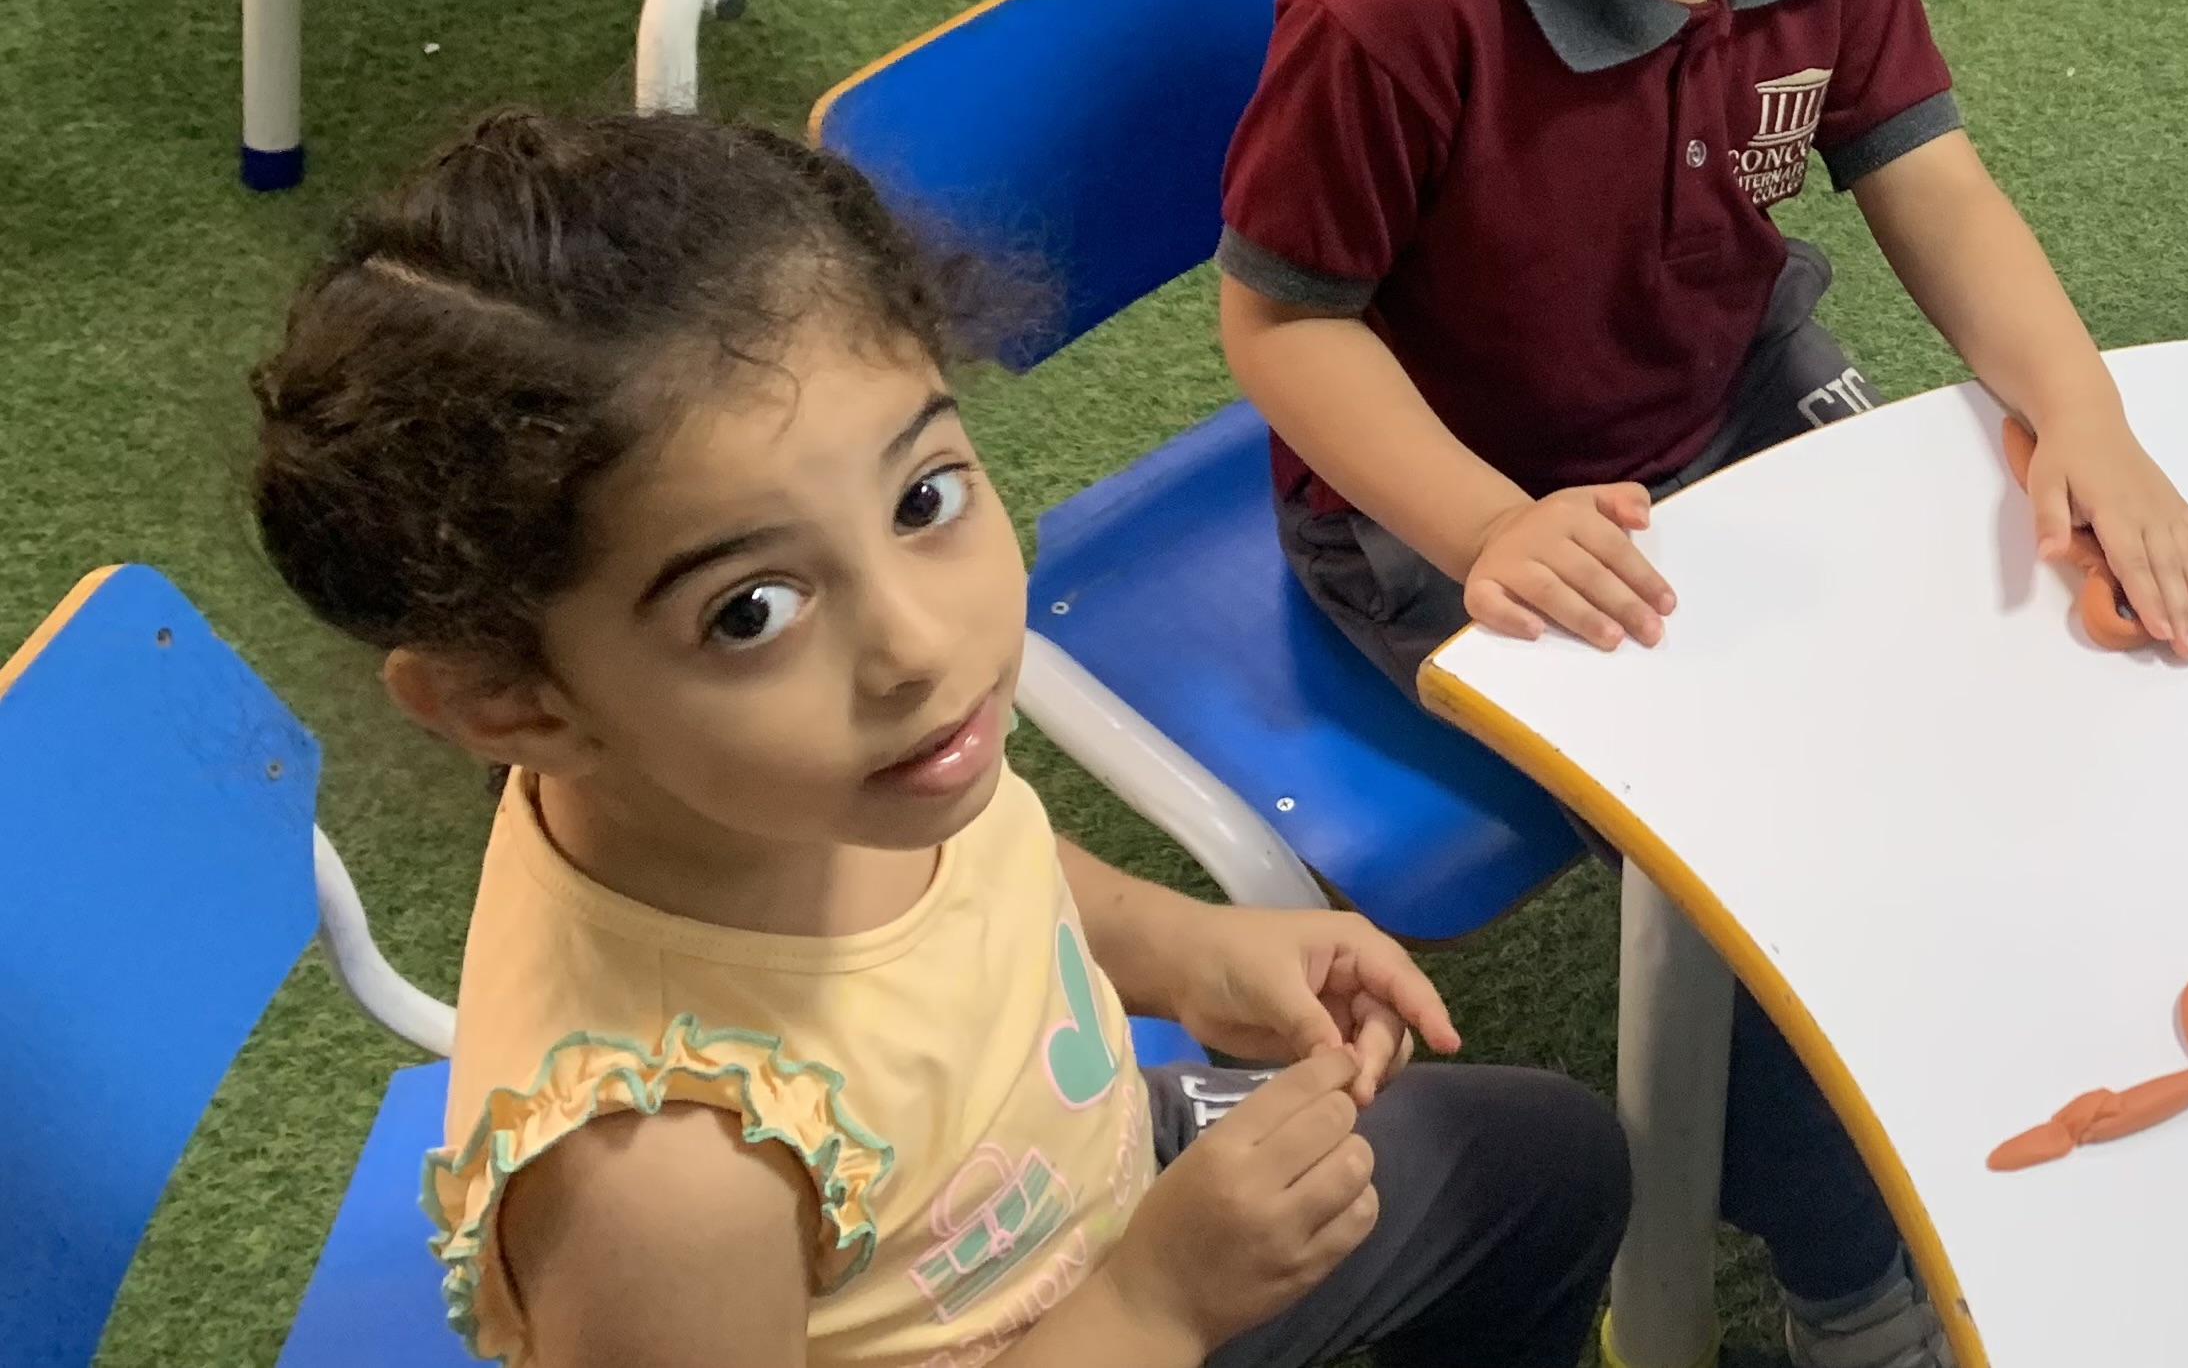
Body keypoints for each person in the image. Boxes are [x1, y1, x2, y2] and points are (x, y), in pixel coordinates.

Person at [1213, 0, 2188, 1368]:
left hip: (1728, 399)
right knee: (1766, 867)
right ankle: (1851, 1277)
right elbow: (1284, 323)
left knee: (2016, 667)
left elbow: (1925, 173)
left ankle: (1973, 1083)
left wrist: (2085, 412)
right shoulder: (1397, 6)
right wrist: (1487, 526)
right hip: (1459, 501)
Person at [249, 110, 1629, 1368]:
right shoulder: (664, 1182)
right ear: (516, 706)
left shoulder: (796, 774)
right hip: (1090, 1309)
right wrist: (1156, 1306)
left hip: (1072, 1182)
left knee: (1547, 1164)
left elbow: (990, 873)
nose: (916, 643)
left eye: (922, 499)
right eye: (750, 611)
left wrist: (1185, 948)